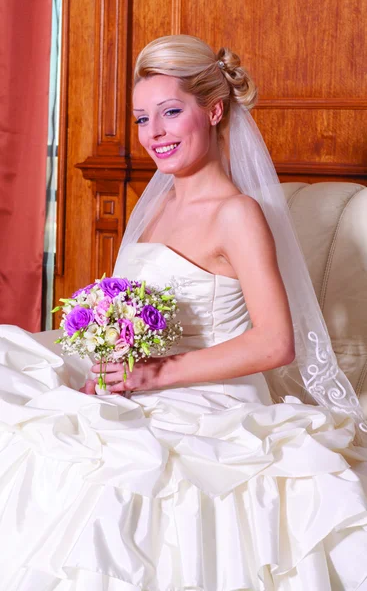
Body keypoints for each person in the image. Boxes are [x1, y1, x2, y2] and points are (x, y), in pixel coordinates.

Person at [0, 34, 366, 590]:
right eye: (143, 118)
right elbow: (132, 319)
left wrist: (156, 374)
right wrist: (108, 368)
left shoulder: (237, 213)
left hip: (212, 402)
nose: (155, 134)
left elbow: (275, 344)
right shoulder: (157, 208)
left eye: (171, 112)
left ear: (214, 110)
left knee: (117, 478)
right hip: (144, 386)